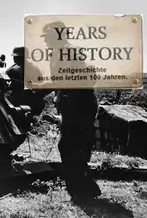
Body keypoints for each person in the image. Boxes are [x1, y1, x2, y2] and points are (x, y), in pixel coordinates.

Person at [39, 21, 101, 202]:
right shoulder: (63, 51)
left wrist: (42, 90)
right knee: (74, 145)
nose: (46, 42)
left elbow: (67, 81)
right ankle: (83, 188)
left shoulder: (66, 52)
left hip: (78, 105)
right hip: (78, 104)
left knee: (69, 145)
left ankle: (81, 190)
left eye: (48, 37)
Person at [6, 46, 49, 116]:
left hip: (22, 102)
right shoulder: (35, 69)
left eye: (16, 57)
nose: (14, 58)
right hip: (29, 103)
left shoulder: (13, 70)